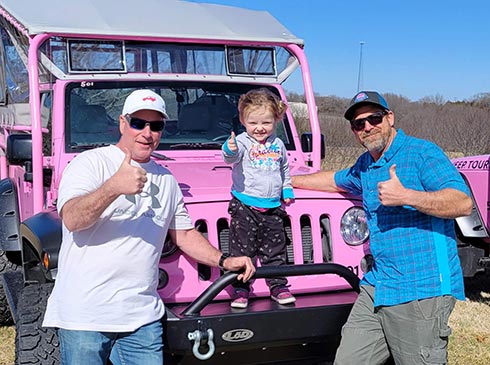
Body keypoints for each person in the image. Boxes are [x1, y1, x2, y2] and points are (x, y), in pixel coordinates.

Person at [42, 89, 255, 365]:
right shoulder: (89, 164)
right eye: (138, 123)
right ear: (122, 123)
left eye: (156, 126)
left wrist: (224, 260)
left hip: (142, 317)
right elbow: (72, 218)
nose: (147, 132)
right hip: (86, 314)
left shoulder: (166, 179)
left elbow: (185, 234)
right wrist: (113, 188)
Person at [292, 91, 473, 364]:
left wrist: (407, 196)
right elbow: (335, 180)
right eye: (358, 124)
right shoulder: (366, 164)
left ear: (390, 118)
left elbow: (462, 203)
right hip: (378, 284)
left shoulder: (422, 153)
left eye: (373, 119)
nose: (366, 127)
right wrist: (287, 180)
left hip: (421, 290)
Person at [222, 88, 295, 309]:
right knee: (242, 251)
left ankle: (278, 287)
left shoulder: (279, 144)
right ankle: (241, 289)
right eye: (253, 122)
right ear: (243, 120)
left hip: (273, 207)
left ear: (276, 120)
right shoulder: (242, 142)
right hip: (245, 205)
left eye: (266, 122)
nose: (260, 128)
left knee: (276, 250)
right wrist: (229, 148)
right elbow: (230, 159)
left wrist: (287, 189)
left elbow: (284, 169)